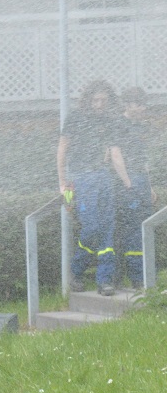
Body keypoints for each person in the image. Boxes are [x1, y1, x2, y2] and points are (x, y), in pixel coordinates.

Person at [58, 79, 130, 296]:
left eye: (103, 100)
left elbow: (115, 152)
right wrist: (62, 183)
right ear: (88, 100)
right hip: (80, 178)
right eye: (96, 100)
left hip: (103, 177)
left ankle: (104, 280)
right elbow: (62, 150)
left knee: (108, 227)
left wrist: (127, 182)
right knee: (92, 227)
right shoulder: (75, 118)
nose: (99, 104)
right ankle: (77, 271)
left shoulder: (110, 121)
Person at [116, 87, 154, 287]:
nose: (143, 109)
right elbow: (116, 154)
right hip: (128, 183)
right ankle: (136, 277)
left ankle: (145, 274)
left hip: (141, 181)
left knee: (144, 226)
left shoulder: (140, 127)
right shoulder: (119, 124)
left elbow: (143, 159)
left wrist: (150, 186)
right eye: (139, 104)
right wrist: (127, 182)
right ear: (128, 104)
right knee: (132, 228)